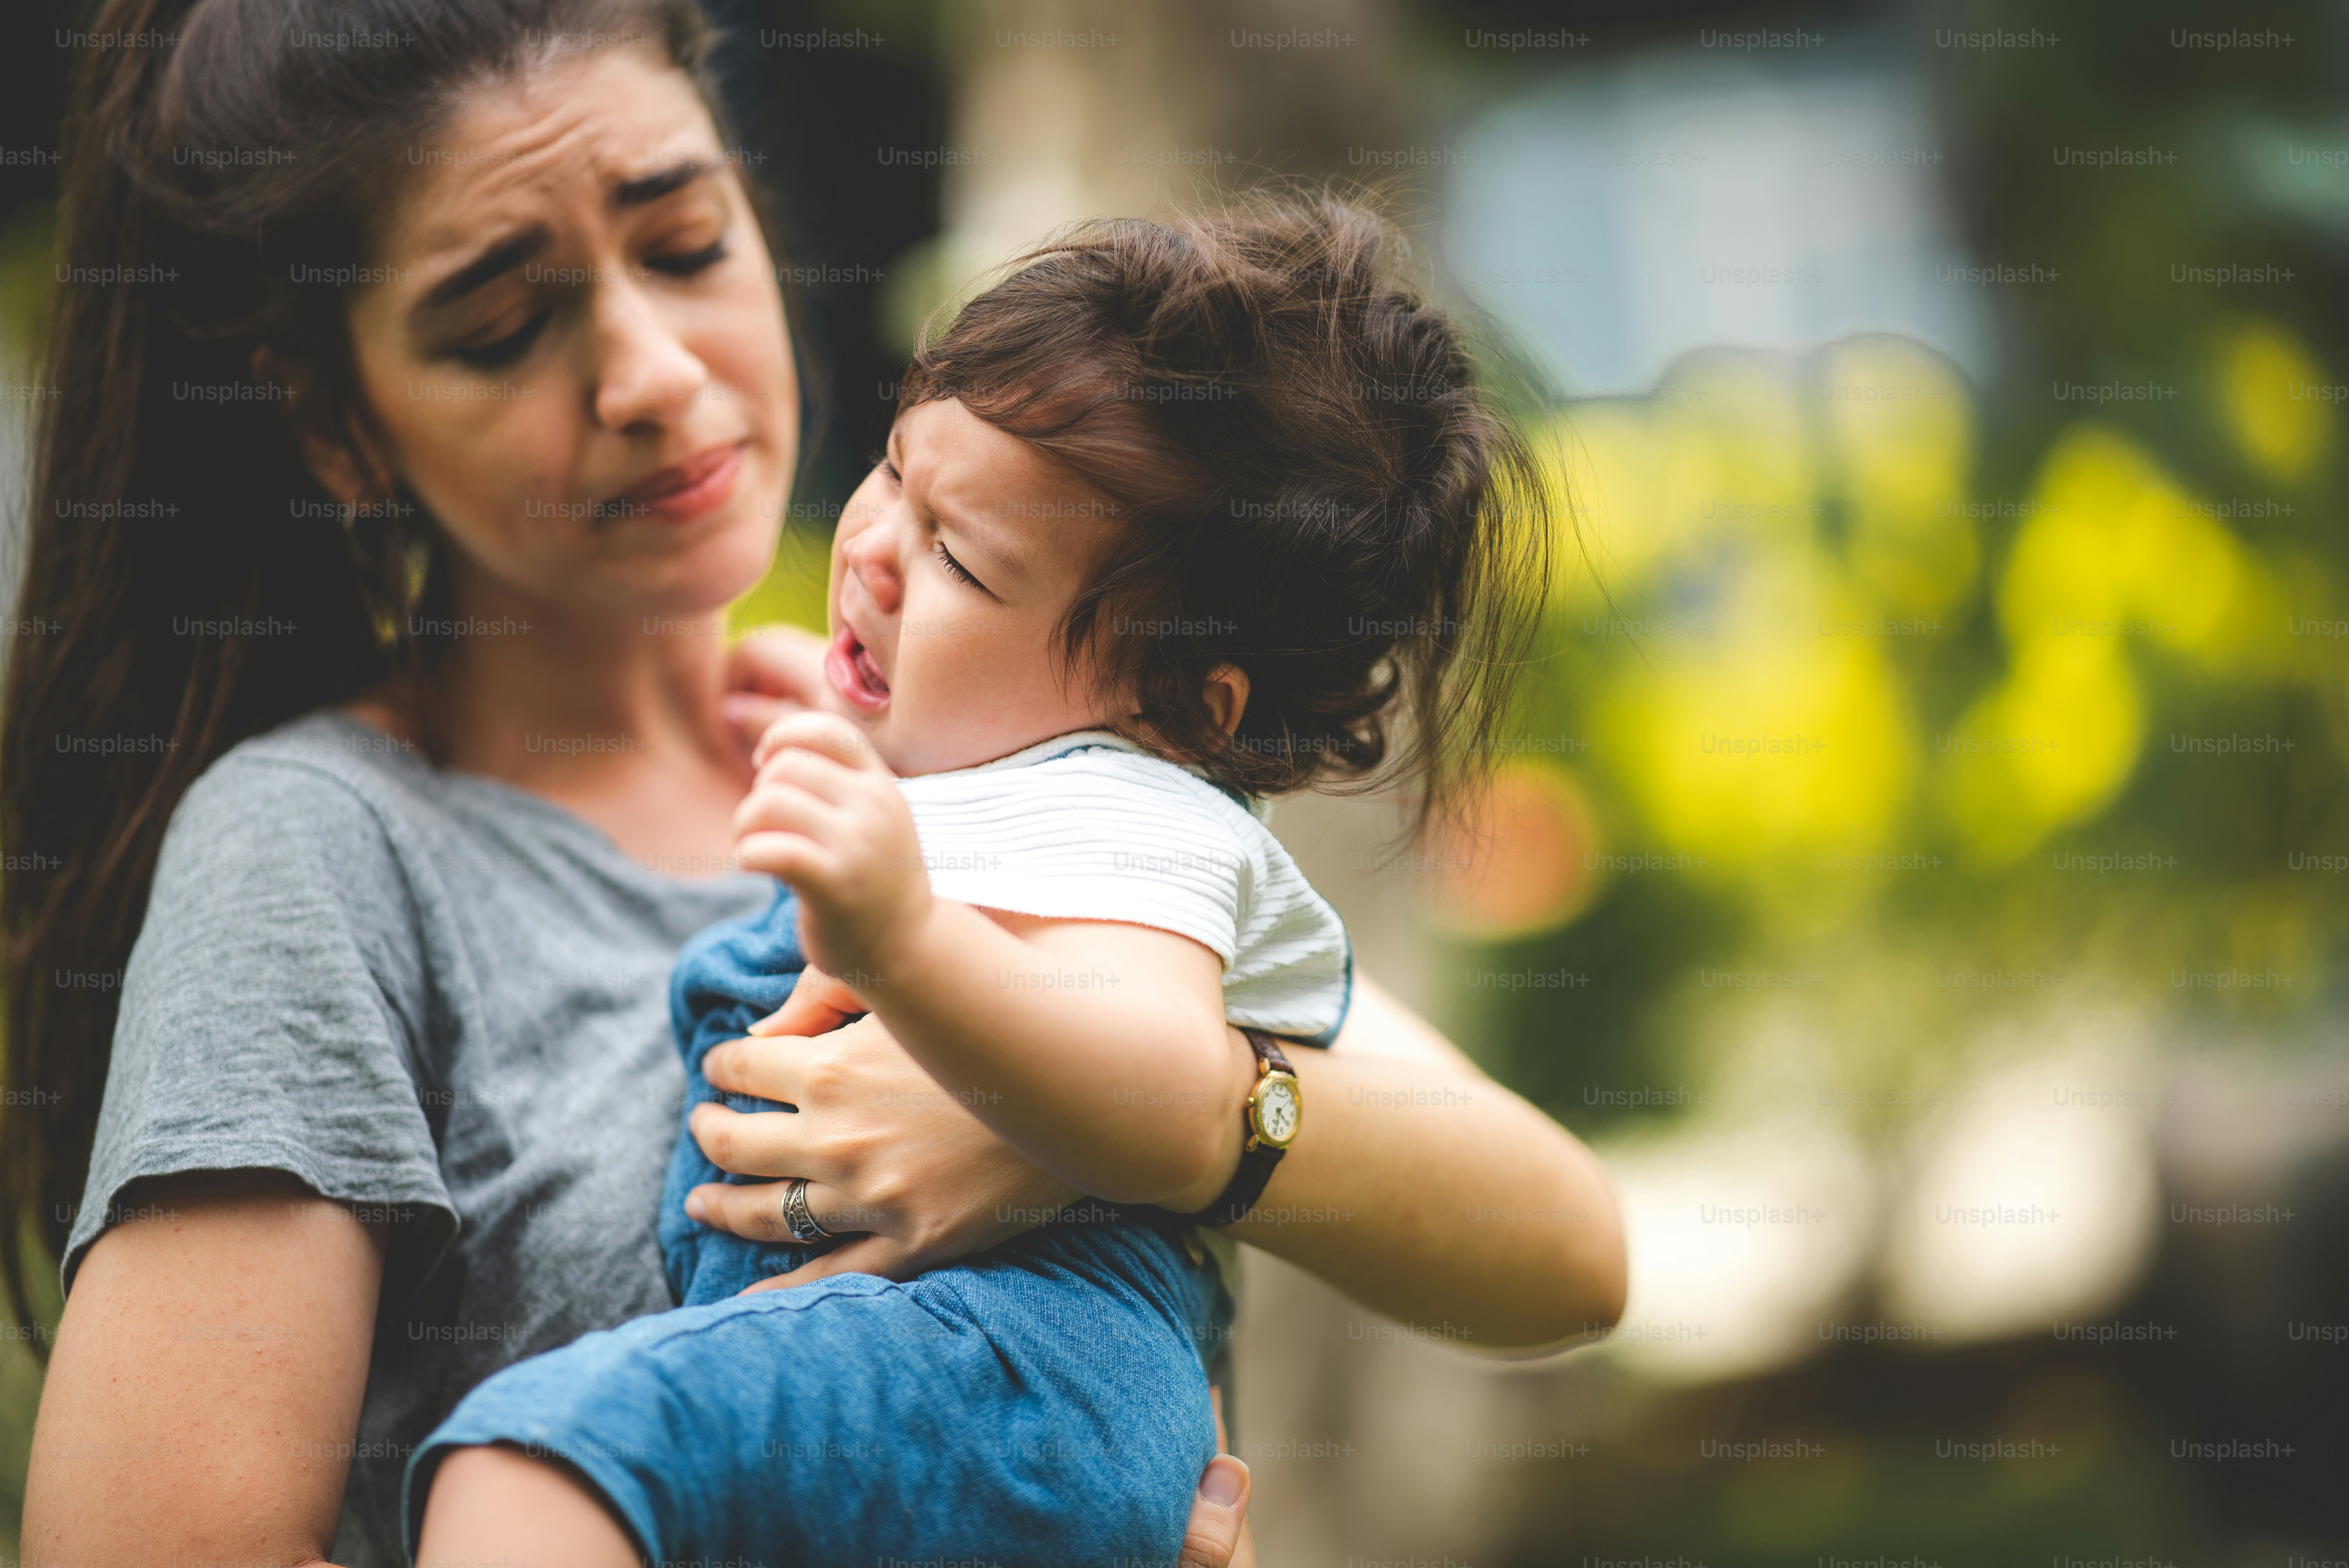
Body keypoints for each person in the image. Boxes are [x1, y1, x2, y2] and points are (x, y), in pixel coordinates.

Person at [0, 2, 1627, 1564]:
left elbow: (1564, 1246)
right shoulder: (322, 845)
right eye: (502, 323)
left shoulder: (1004, 764)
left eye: (687, 242)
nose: (649, 369)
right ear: (342, 427)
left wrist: (1092, 1121)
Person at [407, 194, 1552, 1565]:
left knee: (539, 1469)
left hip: (1018, 1360)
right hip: (927, 1355)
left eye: (958, 556)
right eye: (894, 472)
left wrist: (901, 935)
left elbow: (1158, 1077)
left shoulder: (1145, 819)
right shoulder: (1027, 776)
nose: (876, 546)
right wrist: (850, 737)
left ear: (1182, 709)